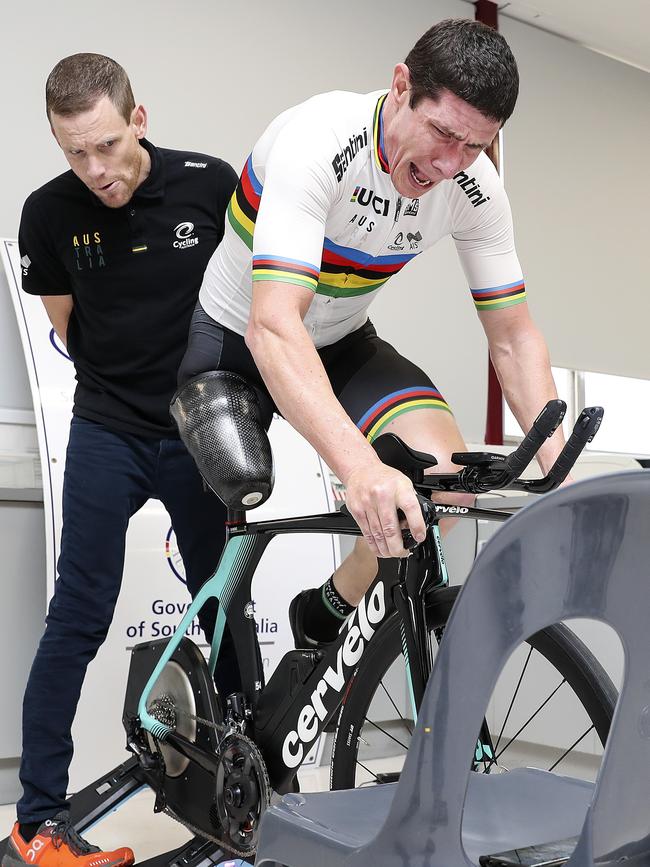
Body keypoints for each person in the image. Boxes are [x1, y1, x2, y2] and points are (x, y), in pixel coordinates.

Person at [176, 18, 567, 648]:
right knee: (239, 490)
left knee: (443, 486)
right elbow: (273, 326)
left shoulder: (476, 186)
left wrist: (562, 476)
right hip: (234, 343)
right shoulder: (319, 139)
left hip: (342, 342)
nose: (450, 164)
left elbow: (514, 339)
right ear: (401, 85)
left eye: (475, 145)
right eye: (442, 133)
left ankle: (326, 612)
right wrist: (359, 467)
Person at [3, 54, 238, 867]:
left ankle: (250, 805)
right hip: (107, 429)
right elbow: (67, 328)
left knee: (224, 610)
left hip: (199, 431)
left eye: (105, 144)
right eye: (75, 153)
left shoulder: (210, 185)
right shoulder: (48, 213)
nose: (94, 170)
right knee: (76, 616)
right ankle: (37, 825)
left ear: (139, 118)